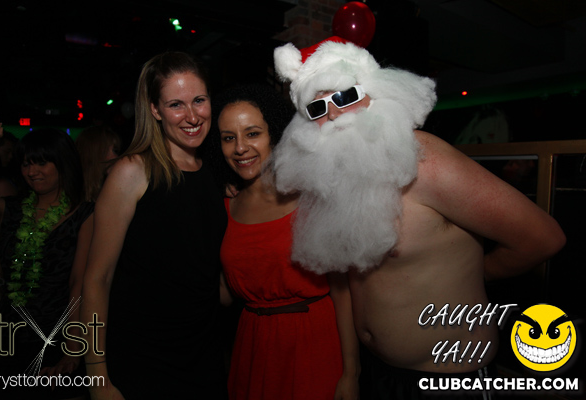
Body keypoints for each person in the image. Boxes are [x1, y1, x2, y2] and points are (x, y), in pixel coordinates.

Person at [271, 37, 566, 399]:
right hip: (378, 374)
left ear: (376, 92)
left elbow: (543, 238)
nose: (332, 115)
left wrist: (480, 272)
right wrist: (352, 370)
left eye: (345, 96)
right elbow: (344, 280)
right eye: (317, 108)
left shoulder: (426, 161)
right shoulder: (333, 178)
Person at [80, 51, 228, 400]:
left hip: (205, 360)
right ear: (155, 110)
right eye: (176, 104)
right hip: (143, 363)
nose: (192, 116)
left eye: (199, 100)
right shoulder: (133, 171)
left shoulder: (215, 173)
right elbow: (97, 280)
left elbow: (209, 278)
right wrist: (97, 377)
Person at [208, 84, 359, 400]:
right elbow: (222, 292)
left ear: (274, 135)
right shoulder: (224, 208)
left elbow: (342, 291)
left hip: (313, 344)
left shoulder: (310, 197)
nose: (240, 148)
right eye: (228, 138)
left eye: (252, 134)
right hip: (251, 347)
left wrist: (351, 372)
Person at [0, 128, 94, 399]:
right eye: (26, 164)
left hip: (55, 339)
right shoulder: (8, 209)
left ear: (63, 163)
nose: (32, 172)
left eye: (41, 163)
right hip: (7, 338)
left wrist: (73, 349)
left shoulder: (84, 214)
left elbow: (78, 284)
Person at [75, 125, 122, 201]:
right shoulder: (71, 190)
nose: (116, 157)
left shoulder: (111, 187)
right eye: (114, 151)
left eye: (116, 151)